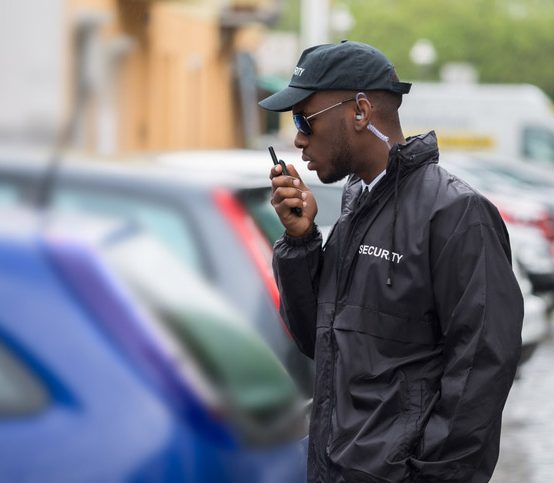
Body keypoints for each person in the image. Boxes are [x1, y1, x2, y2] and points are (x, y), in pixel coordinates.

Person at [259, 40, 523, 483]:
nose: (298, 138)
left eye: (304, 119)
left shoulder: (455, 213)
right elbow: (315, 340)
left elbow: (481, 371)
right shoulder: (356, 207)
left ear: (361, 111)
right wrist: (301, 242)